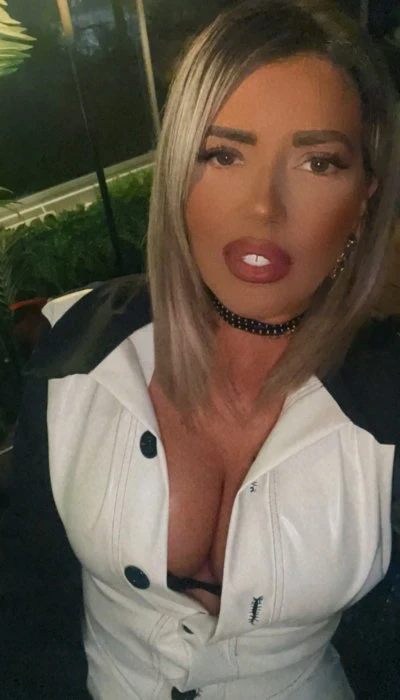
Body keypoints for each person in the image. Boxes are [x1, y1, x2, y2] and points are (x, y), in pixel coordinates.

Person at [1, 0, 399, 698]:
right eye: (224, 154)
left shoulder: (388, 402)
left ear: (365, 200)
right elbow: (31, 598)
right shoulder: (76, 348)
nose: (263, 208)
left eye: (317, 162)